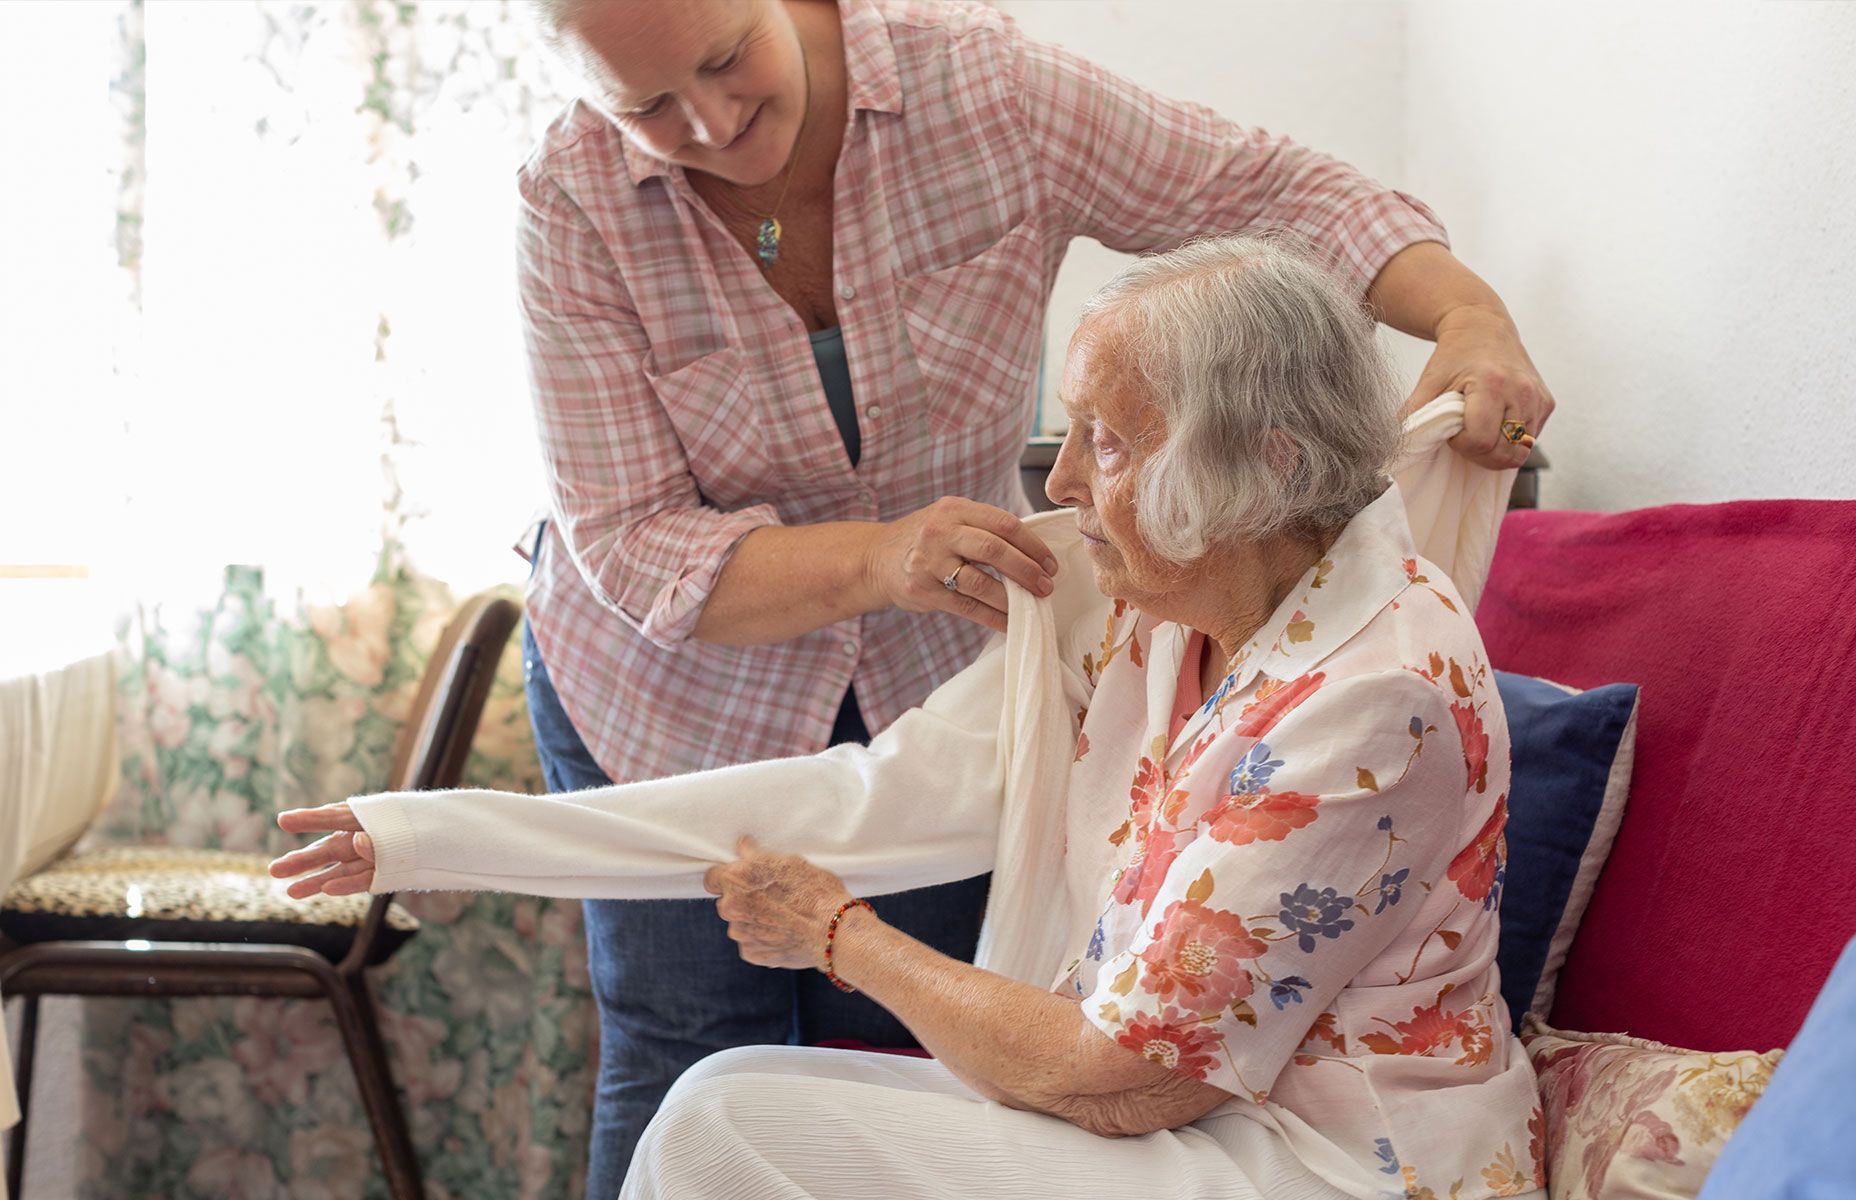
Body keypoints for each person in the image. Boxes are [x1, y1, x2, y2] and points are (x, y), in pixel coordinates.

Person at [514, 0, 1551, 1192]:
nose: (710, 121)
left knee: (932, 1059)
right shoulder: (570, 199)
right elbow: (636, 543)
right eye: (645, 108)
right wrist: (417, 837)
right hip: (674, 684)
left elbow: (1274, 194)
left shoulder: (984, 90)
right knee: (681, 1051)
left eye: (723, 60)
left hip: (942, 644)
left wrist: (1468, 316)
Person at [274, 235, 1545, 1199]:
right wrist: (424, 838)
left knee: (725, 1122)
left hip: (1324, 1164)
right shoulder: (1156, 606)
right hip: (1191, 1114)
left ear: (1262, 464)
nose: (1056, 484)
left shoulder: (1376, 695)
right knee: (722, 1096)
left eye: (1104, 440)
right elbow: (852, 800)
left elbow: (1120, 1077)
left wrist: (839, 937)